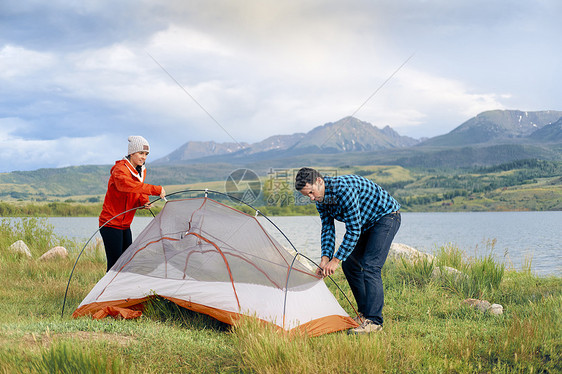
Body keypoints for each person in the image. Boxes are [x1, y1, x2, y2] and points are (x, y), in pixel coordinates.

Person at [295, 167, 401, 334]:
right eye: (307, 195)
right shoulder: (321, 199)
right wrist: (325, 258)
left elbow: (353, 229)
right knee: (351, 265)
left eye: (311, 192)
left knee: (370, 266)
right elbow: (328, 228)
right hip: (366, 224)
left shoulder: (343, 190)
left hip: (386, 217)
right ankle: (364, 314)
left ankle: (374, 322)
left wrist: (335, 260)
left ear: (319, 181)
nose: (311, 198)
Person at [99, 135, 166, 272]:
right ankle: (107, 293)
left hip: (125, 225)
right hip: (110, 224)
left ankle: (121, 293)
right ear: (131, 153)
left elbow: (137, 191)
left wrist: (144, 201)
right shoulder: (120, 170)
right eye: (141, 153)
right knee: (114, 266)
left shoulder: (141, 170)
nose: (144, 157)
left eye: (146, 154)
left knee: (126, 263)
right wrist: (156, 189)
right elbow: (128, 186)